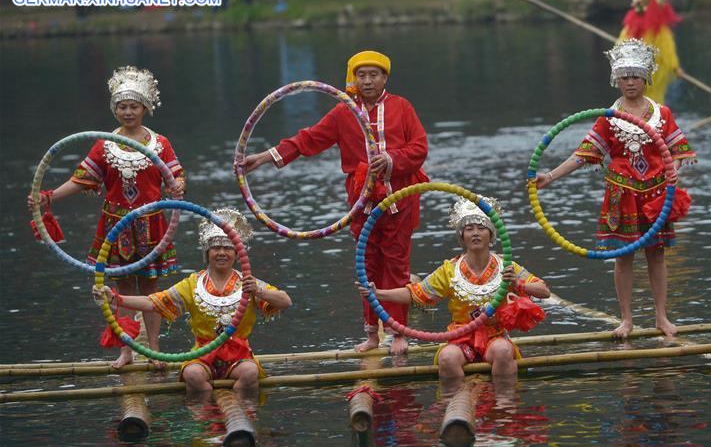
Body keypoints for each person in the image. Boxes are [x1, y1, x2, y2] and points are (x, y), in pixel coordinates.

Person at [239, 50, 428, 356]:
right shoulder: (344, 112)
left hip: (399, 198)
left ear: (385, 78)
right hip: (362, 202)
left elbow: (419, 148)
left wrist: (393, 159)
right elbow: (308, 139)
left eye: (373, 75)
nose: (367, 81)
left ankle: (397, 333)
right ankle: (371, 335)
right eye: (361, 75)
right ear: (353, 79)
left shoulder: (402, 107)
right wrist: (264, 156)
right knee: (367, 266)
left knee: (396, 265)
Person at [533, 39, 696, 339]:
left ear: (645, 77)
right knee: (623, 257)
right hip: (622, 196)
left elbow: (679, 151)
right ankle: (627, 319)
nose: (630, 82)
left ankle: (662, 316)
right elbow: (584, 154)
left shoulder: (663, 114)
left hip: (656, 192)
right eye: (624, 77)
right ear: (616, 80)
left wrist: (674, 172)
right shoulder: (608, 117)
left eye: (635, 76)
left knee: (657, 254)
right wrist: (550, 176)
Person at [28, 66, 185, 369]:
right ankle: (126, 350)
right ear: (115, 109)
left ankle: (153, 348)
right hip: (116, 227)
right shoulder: (104, 144)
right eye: (123, 107)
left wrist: (178, 187)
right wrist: (48, 197)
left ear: (145, 108)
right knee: (123, 291)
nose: (128, 112)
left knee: (151, 290)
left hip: (151, 225)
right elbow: (82, 180)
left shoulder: (161, 144)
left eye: (134, 106)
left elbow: (175, 176)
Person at [93, 208, 292, 392]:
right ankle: (207, 418)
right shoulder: (193, 283)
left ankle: (240, 415)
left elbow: (285, 301)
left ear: (236, 254)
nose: (221, 252)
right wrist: (116, 298)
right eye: (215, 248)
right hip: (202, 354)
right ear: (207, 253)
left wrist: (259, 292)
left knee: (250, 373)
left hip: (239, 355)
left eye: (227, 248)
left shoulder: (248, 283)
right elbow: (152, 302)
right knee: (192, 374)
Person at [356, 197, 550, 382]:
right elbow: (415, 294)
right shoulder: (450, 270)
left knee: (503, 351)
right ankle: (458, 403)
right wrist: (378, 293)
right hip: (461, 337)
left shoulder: (506, 267)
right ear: (462, 237)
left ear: (491, 234)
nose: (475, 233)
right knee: (447, 358)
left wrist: (518, 283)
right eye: (469, 229)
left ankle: (504, 407)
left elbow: (544, 291)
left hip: (495, 336)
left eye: (481, 228)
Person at [618, 0, 683, 104]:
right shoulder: (658, 28)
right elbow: (666, 51)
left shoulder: (631, 26)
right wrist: (675, 68)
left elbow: (621, 46)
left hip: (635, 74)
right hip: (650, 73)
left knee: (637, 101)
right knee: (652, 101)